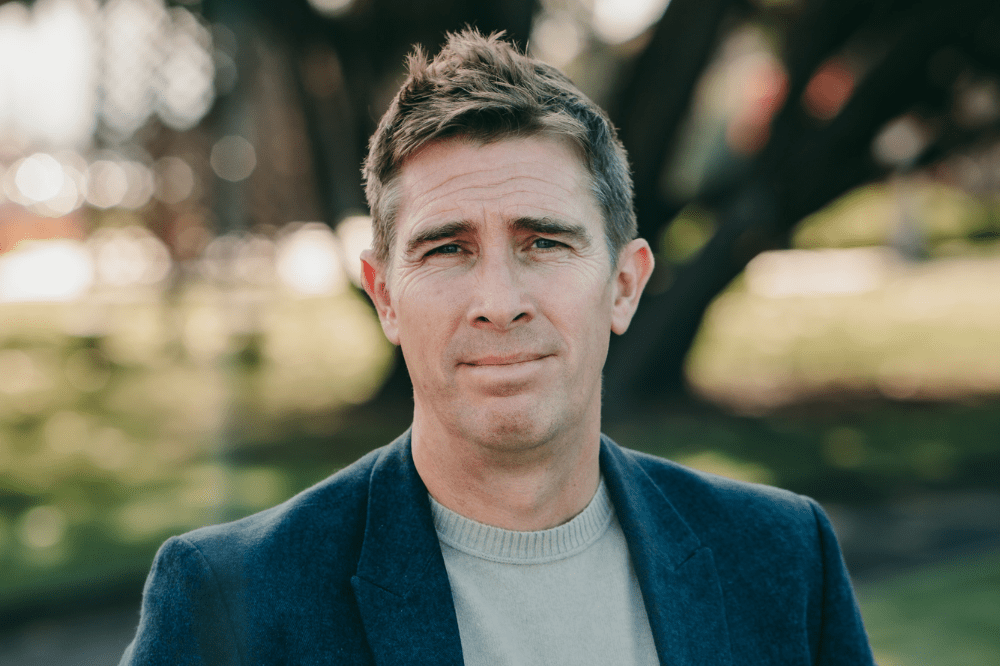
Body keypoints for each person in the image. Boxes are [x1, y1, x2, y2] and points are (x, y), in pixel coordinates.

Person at [120, 29, 875, 665]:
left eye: (544, 242)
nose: (499, 302)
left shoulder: (784, 558)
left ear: (623, 285)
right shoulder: (229, 602)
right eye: (447, 249)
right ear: (385, 295)